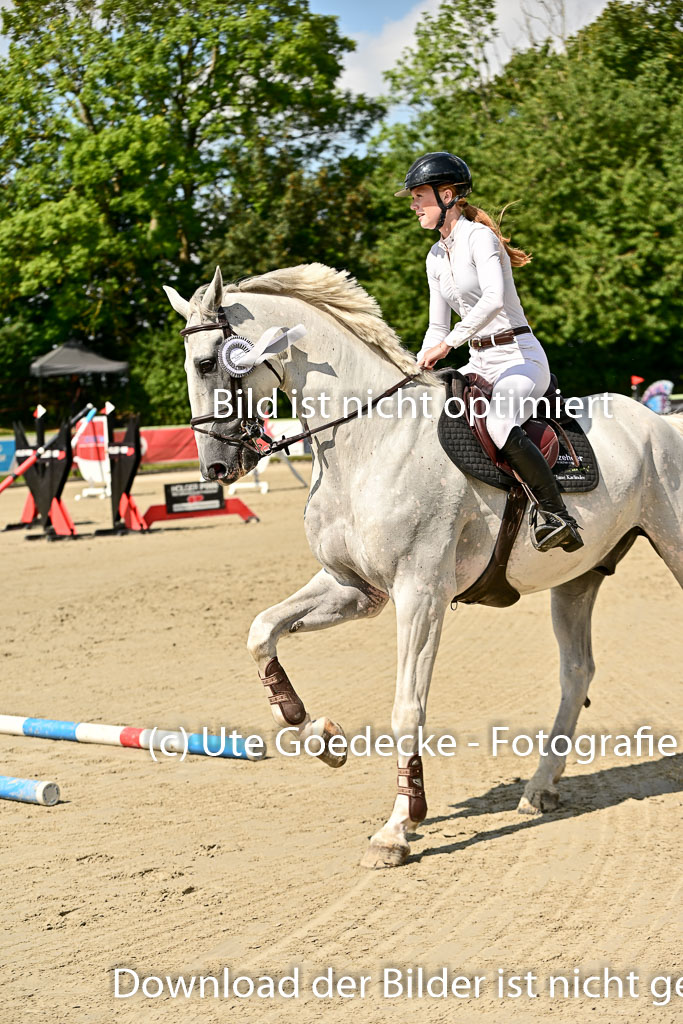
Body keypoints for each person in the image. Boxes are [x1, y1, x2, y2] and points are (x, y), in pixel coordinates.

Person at [396, 151, 583, 553]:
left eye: (419, 197)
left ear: (448, 195)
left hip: (519, 357)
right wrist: (414, 367)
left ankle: (557, 515)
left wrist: (449, 345)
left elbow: (494, 299)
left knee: (499, 422)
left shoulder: (479, 238)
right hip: (479, 360)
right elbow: (436, 326)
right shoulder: (433, 256)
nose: (413, 205)